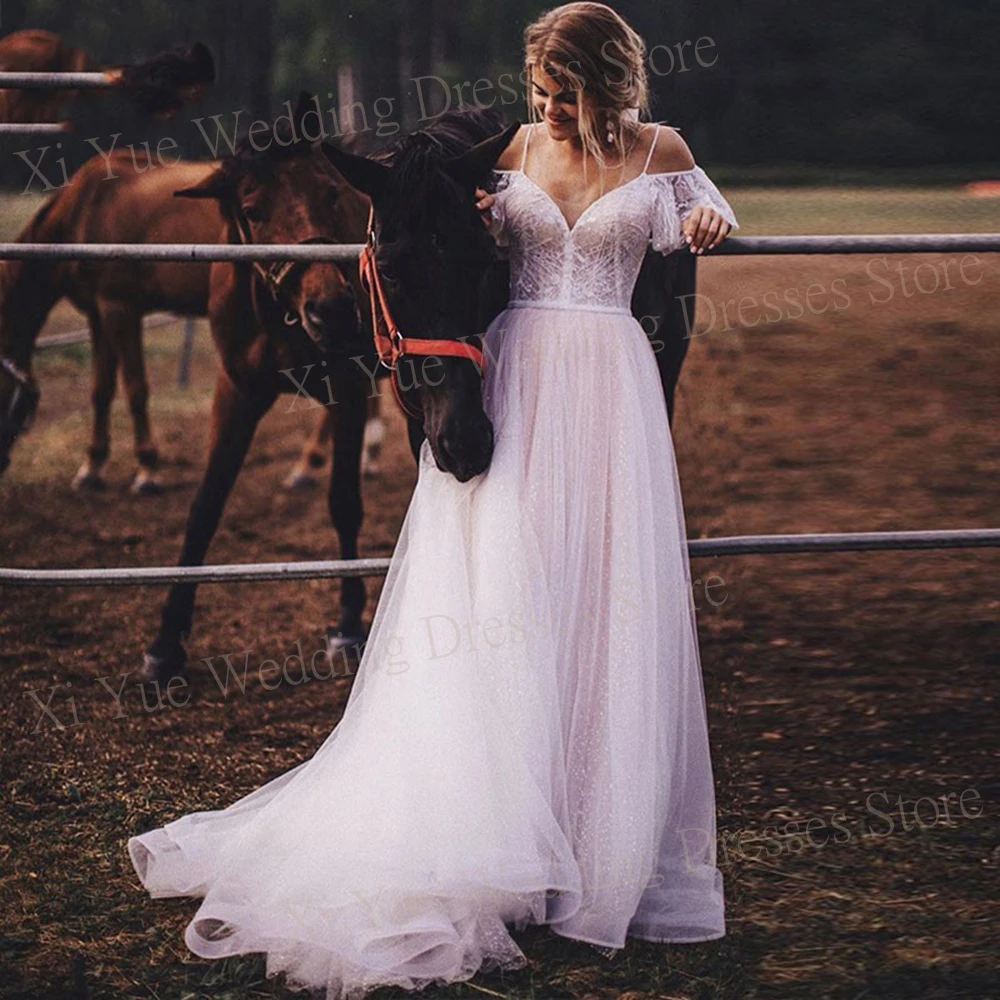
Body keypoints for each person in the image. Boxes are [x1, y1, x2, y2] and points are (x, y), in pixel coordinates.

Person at [126, 4, 739, 998]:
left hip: (614, 389)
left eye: (564, 94)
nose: (547, 110)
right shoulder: (512, 151)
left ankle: (597, 830)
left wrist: (710, 218)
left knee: (605, 590)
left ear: (611, 87)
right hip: (526, 374)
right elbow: (426, 220)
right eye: (539, 92)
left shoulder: (661, 150)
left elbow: (706, 211)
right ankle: (491, 824)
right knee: (499, 582)